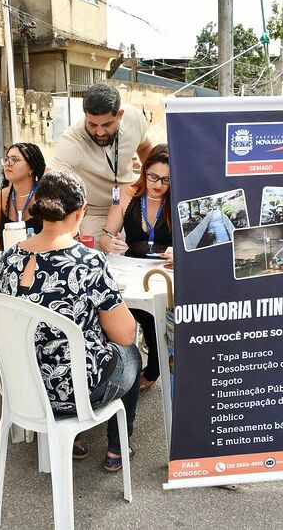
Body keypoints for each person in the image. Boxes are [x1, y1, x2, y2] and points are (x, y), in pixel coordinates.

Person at [0, 170, 140, 472]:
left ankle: (72, 440)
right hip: (74, 395)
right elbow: (125, 335)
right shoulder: (89, 262)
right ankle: (117, 446)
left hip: (23, 390)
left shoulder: (8, 258)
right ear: (80, 211)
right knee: (130, 354)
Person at [99, 144, 171, 391]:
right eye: (153, 176)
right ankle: (121, 366)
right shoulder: (124, 193)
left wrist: (180, 252)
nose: (158, 184)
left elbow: (195, 241)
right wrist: (112, 243)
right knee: (118, 309)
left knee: (154, 314)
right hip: (130, 266)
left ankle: (153, 370)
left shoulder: (180, 196)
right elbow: (106, 234)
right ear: (144, 172)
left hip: (164, 271)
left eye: (166, 180)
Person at [47, 84, 154, 241]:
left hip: (133, 202)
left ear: (120, 115)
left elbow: (145, 148)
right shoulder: (72, 140)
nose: (100, 132)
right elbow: (50, 182)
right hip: (96, 212)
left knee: (150, 249)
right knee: (100, 257)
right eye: (92, 124)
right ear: (85, 115)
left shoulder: (135, 118)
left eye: (107, 125)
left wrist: (147, 184)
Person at [0, 143, 46, 252]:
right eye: (6, 159)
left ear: (31, 168)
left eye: (15, 159)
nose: (8, 164)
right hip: (7, 264)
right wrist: (4, 262)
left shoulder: (45, 196)